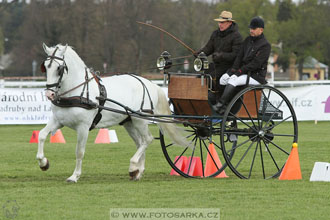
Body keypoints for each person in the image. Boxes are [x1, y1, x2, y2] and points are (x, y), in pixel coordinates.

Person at [212, 16, 271, 114]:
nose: (251, 30)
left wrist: (239, 71)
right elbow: (239, 57)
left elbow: (255, 64)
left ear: (261, 30)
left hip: (256, 76)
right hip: (244, 73)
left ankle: (221, 105)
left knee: (233, 80)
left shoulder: (265, 45)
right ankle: (224, 105)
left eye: (253, 29)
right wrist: (232, 71)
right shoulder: (247, 40)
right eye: (250, 28)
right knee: (223, 78)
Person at [196, 11, 243, 106]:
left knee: (211, 77)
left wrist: (221, 55)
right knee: (200, 76)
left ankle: (218, 102)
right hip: (217, 66)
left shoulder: (236, 36)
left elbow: (236, 55)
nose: (220, 24)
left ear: (229, 23)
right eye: (219, 22)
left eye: (222, 22)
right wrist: (199, 53)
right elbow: (208, 48)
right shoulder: (215, 34)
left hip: (230, 67)